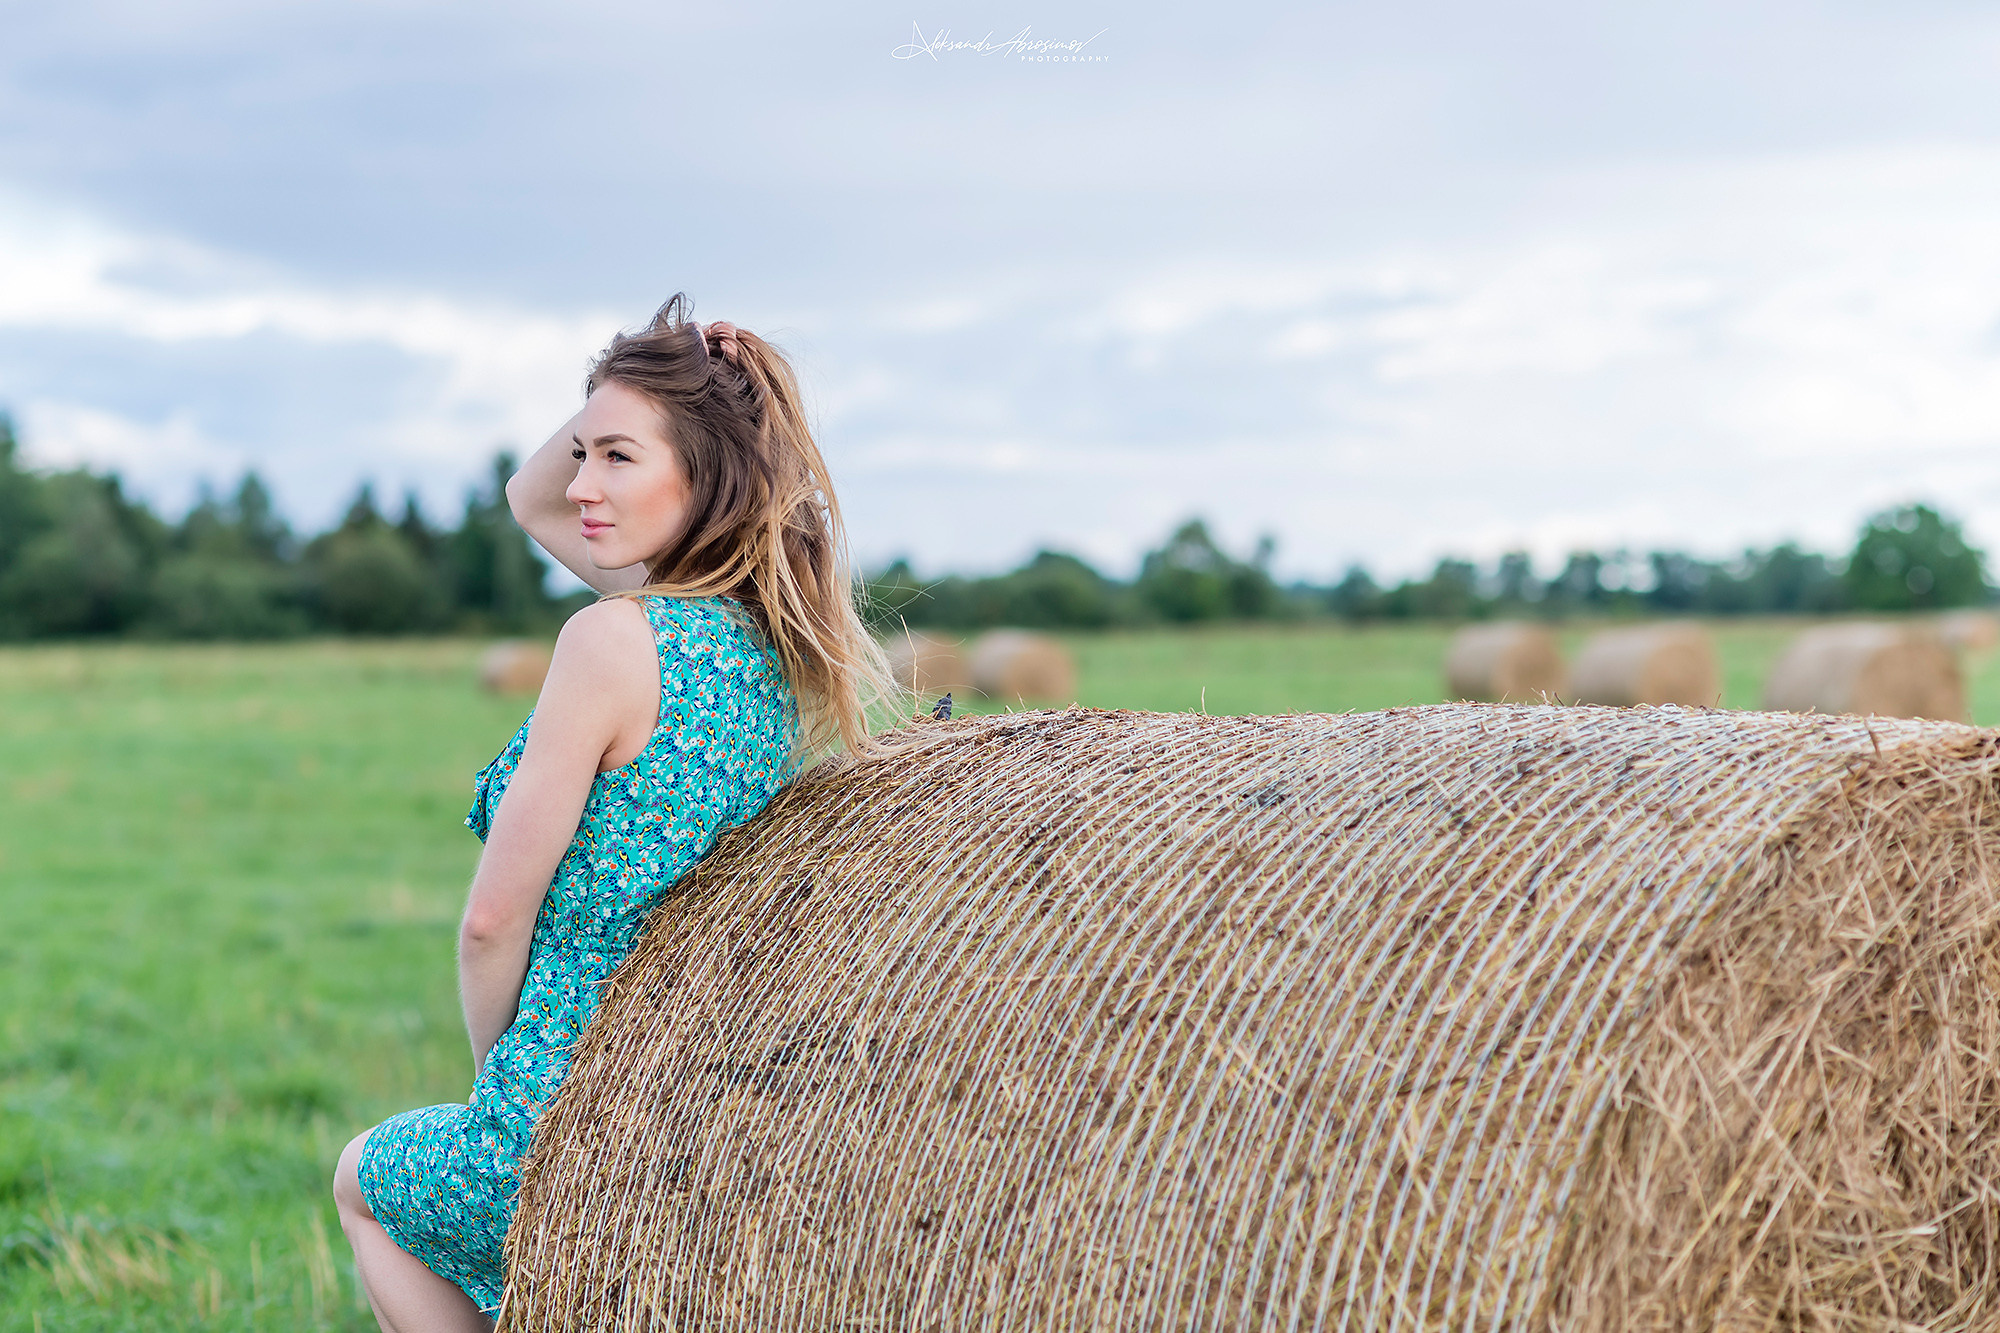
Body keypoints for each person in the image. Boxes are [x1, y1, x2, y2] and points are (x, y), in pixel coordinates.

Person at [331, 295, 890, 1331]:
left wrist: (494, 1081)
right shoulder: (763, 639)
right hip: (685, 1086)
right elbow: (527, 495)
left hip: (561, 1093)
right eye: (580, 451)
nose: (581, 484)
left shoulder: (609, 642)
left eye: (617, 459)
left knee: (361, 1176)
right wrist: (656, 369)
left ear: (705, 473)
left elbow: (491, 921)